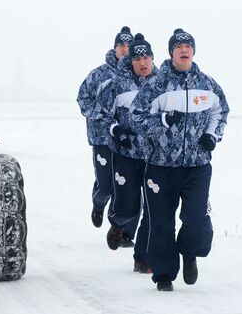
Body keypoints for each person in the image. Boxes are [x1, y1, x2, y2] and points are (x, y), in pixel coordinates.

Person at [130, 29, 229, 291]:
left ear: (193, 52)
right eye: (179, 46)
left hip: (197, 166)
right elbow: (136, 118)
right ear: (172, 53)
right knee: (161, 222)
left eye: (188, 45)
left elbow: (220, 112)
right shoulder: (156, 84)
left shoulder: (207, 85)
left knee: (196, 218)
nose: (184, 49)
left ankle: (190, 252)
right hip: (161, 166)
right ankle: (163, 274)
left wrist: (212, 135)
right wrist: (162, 121)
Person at [93, 33, 157, 273]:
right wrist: (115, 129)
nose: (143, 63)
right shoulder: (116, 85)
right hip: (126, 155)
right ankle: (117, 224)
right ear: (131, 61)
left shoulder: (160, 83)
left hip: (154, 158)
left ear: (152, 58)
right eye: (138, 58)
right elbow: (99, 114)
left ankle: (143, 259)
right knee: (128, 209)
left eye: (147, 57)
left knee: (153, 209)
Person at [77, 26, 137, 247]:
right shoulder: (99, 74)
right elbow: (82, 98)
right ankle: (99, 203)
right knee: (106, 186)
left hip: (130, 143)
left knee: (130, 187)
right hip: (103, 139)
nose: (125, 49)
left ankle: (125, 233)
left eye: (128, 46)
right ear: (115, 48)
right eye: (121, 45)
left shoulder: (140, 73)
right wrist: (98, 117)